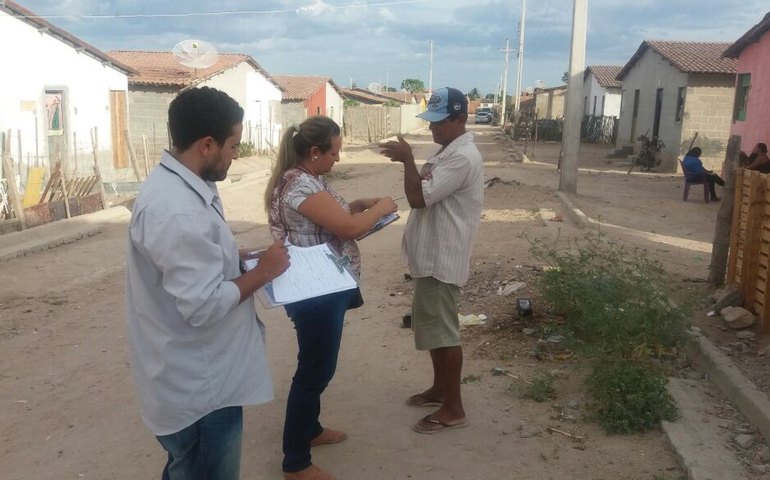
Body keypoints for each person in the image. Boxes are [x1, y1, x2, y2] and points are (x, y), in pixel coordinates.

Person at [125, 86, 291, 480]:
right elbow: (201, 306)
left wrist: (238, 259)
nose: (235, 156)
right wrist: (263, 272)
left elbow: (196, 263)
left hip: (200, 376)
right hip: (200, 390)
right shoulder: (176, 210)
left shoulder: (181, 186)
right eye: (233, 147)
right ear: (206, 145)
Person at [265, 116, 397, 480]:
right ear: (314, 151)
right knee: (314, 371)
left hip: (320, 285)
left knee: (317, 364)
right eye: (334, 152)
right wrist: (381, 208)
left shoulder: (304, 180)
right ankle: (296, 462)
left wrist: (355, 205)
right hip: (316, 290)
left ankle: (310, 429)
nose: (337, 158)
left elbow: (327, 219)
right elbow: (348, 228)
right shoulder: (302, 186)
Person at [380, 87, 484, 434]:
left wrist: (408, 160)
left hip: (443, 257)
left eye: (440, 122)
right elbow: (425, 188)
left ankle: (454, 408)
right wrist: (417, 169)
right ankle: (441, 389)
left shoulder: (461, 157)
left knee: (443, 333)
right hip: (432, 256)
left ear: (459, 119)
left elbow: (419, 197)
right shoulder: (447, 152)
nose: (433, 128)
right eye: (431, 121)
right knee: (432, 330)